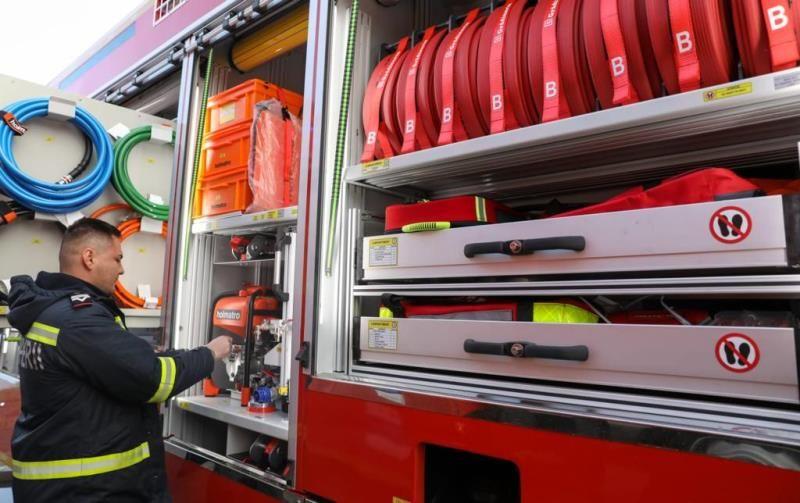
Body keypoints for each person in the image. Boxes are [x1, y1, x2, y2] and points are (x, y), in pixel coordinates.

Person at [6, 218, 232, 502]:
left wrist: (179, 355)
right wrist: (210, 353)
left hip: (62, 488)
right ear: (89, 258)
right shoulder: (79, 319)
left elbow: (121, 365)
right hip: (85, 492)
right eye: (118, 258)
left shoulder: (54, 311)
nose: (122, 269)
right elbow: (153, 378)